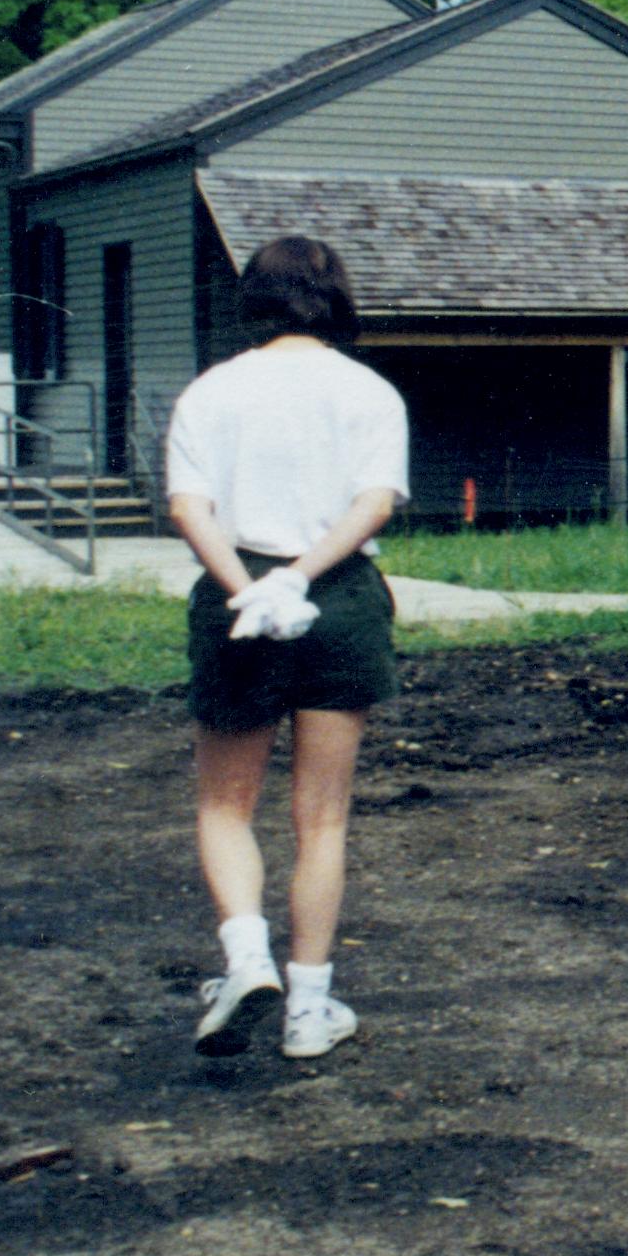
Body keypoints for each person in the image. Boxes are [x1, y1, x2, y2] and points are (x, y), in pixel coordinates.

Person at [162, 235, 410, 1062]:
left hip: (237, 599)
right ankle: (309, 1007)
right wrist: (300, 576)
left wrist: (249, 587)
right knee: (323, 816)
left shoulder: (211, 390)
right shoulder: (368, 390)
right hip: (335, 597)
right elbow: (375, 503)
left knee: (224, 804)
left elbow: (189, 506)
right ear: (334, 296)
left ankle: (243, 961)